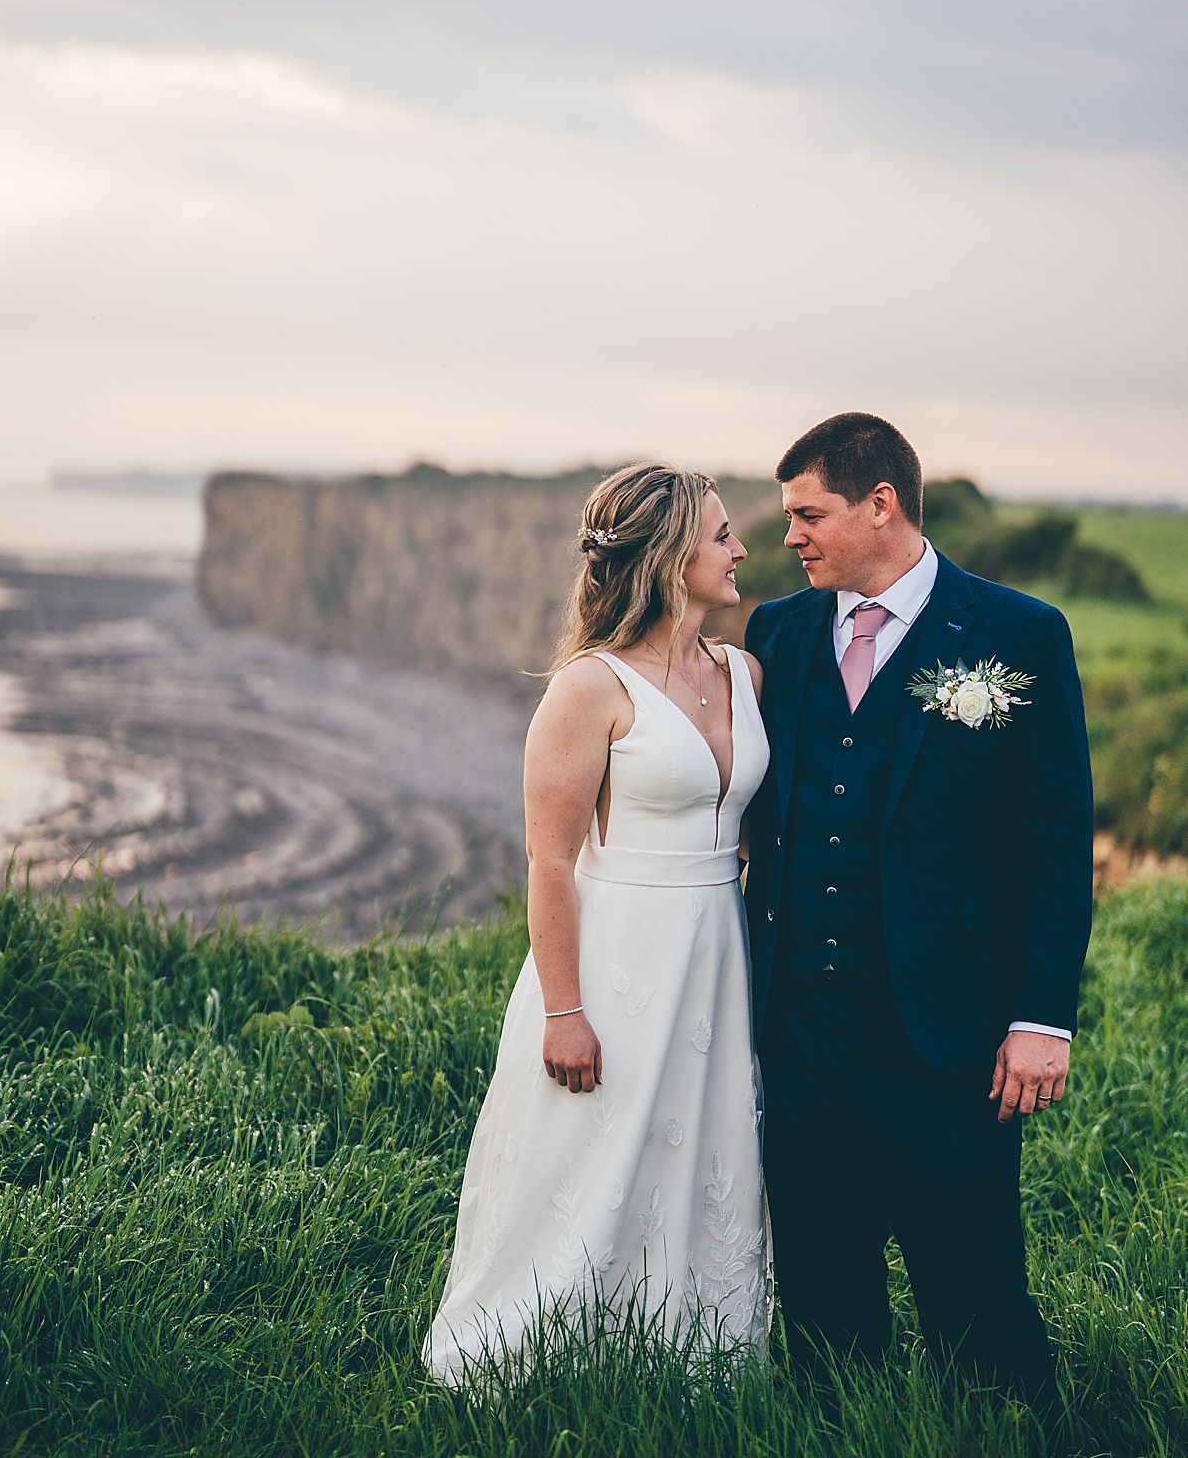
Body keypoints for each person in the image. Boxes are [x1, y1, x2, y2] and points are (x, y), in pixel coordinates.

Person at [742, 411, 1093, 1428]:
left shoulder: (1016, 632)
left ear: (879, 503)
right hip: (801, 1031)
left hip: (949, 1036)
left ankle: (1011, 1436)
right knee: (818, 1293)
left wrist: (1041, 1017)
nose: (792, 536)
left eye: (808, 513)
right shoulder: (780, 630)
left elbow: (1053, 841)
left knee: (974, 1288)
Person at [423, 463, 773, 1383]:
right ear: (668, 555)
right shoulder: (589, 686)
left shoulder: (746, 670)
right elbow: (548, 860)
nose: (741, 549)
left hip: (718, 950)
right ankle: (536, 1354)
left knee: (706, 1149)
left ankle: (694, 1351)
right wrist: (565, 1010)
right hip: (618, 954)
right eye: (722, 535)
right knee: (593, 1149)